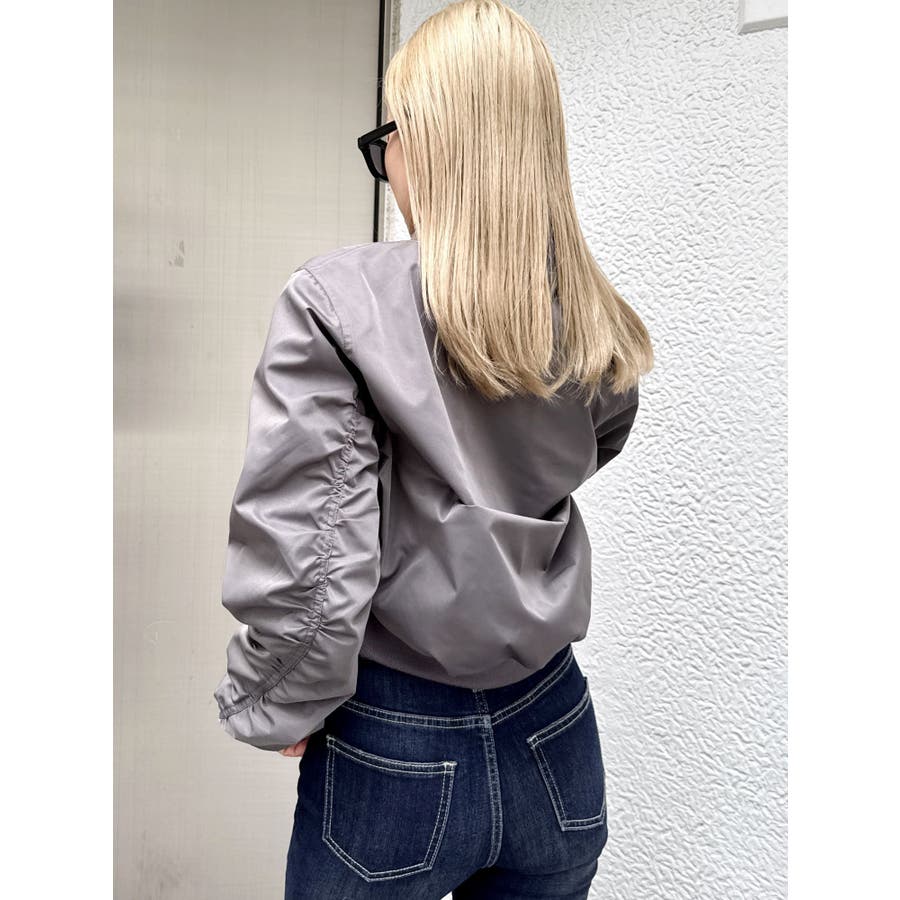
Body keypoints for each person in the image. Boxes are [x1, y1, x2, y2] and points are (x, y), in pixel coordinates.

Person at [212, 1, 654, 896]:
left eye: (391, 138)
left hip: (393, 747)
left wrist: (282, 695)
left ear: (433, 142)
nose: (388, 166)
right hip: (557, 736)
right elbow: (594, 444)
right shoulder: (592, 316)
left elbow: (316, 554)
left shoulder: (336, 302)